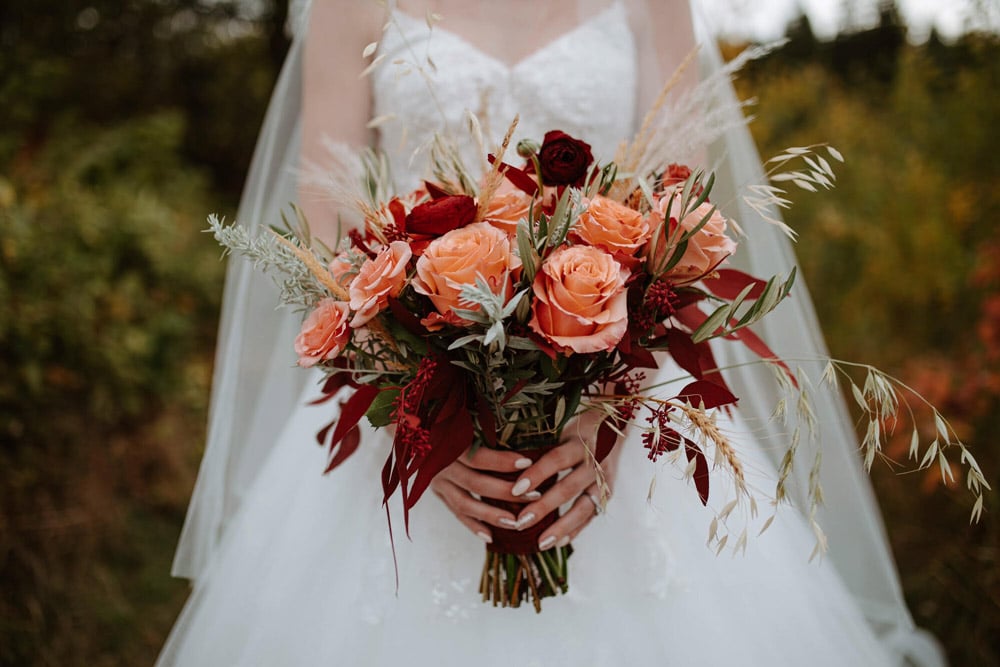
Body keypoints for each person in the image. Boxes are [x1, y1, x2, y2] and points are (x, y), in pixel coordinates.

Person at [158, 1, 946, 664]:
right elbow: (320, 253)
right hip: (405, 381)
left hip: (614, 398)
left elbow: (684, 229)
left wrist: (604, 416)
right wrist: (424, 418)